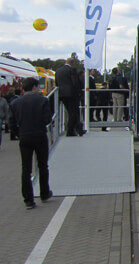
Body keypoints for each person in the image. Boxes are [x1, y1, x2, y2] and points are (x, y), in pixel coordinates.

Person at [10, 77, 53, 209]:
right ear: (35, 87)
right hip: (39, 135)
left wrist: (19, 133)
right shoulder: (43, 100)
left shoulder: (15, 103)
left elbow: (12, 122)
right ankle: (44, 193)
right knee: (43, 166)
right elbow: (48, 119)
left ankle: (28, 199)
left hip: (24, 137)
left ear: (23, 88)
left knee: (26, 169)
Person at [55, 57, 84, 136]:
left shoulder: (58, 70)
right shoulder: (72, 70)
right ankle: (70, 131)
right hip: (72, 94)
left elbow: (56, 83)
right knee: (73, 113)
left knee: (71, 112)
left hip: (62, 94)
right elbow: (75, 82)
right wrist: (79, 92)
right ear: (72, 63)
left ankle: (78, 129)